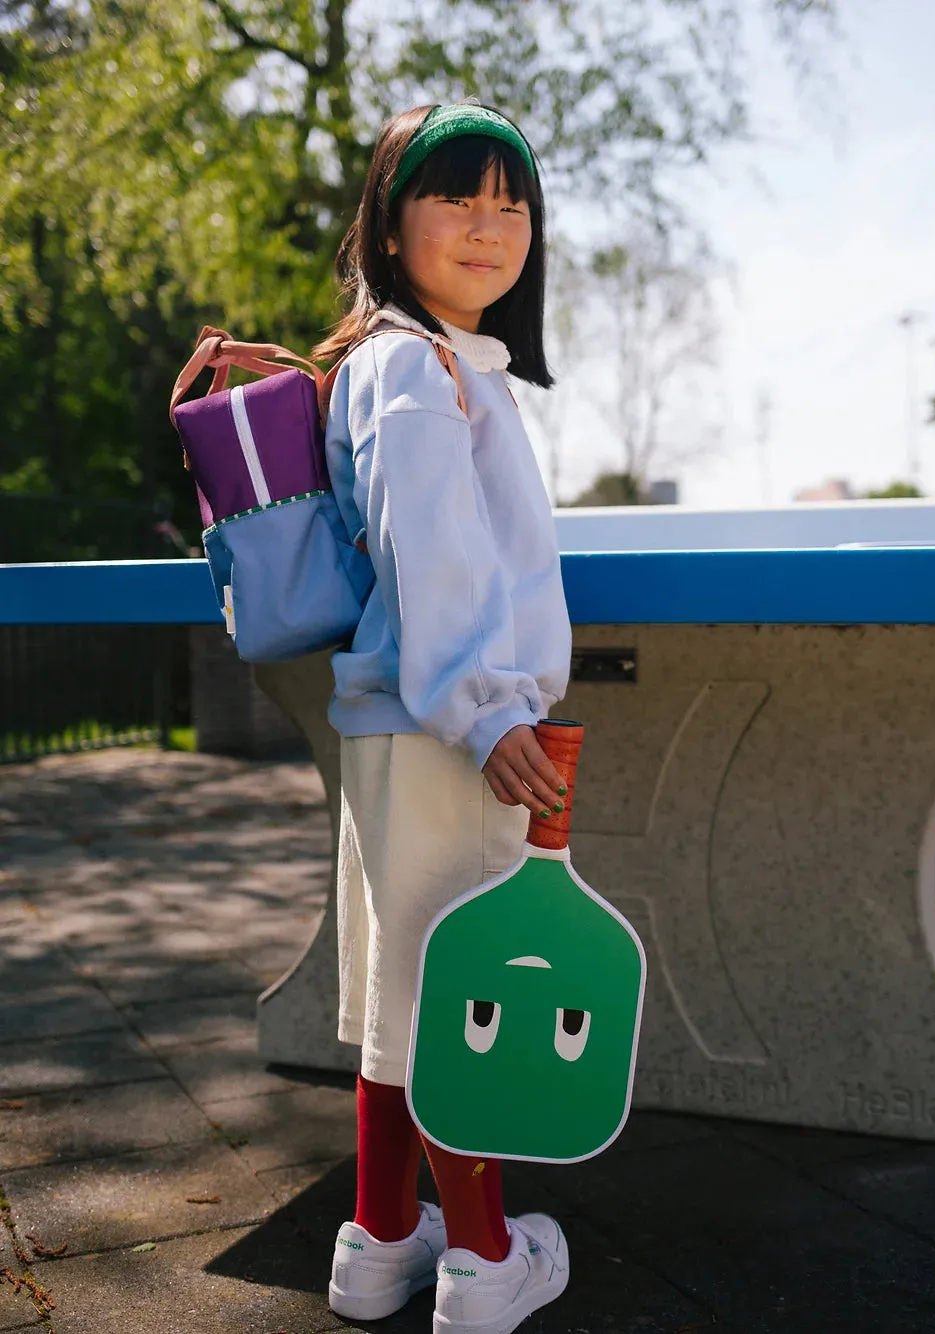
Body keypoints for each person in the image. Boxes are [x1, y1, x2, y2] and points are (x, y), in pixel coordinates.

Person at [314, 100, 574, 1334]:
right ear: (390, 219)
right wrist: (487, 711)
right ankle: (480, 1260)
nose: (490, 225)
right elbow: (438, 557)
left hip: (397, 724)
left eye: (511, 203)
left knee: (399, 987)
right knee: (474, 987)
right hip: (450, 730)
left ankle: (379, 1237)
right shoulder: (418, 369)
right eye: (456, 197)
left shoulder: (421, 361)